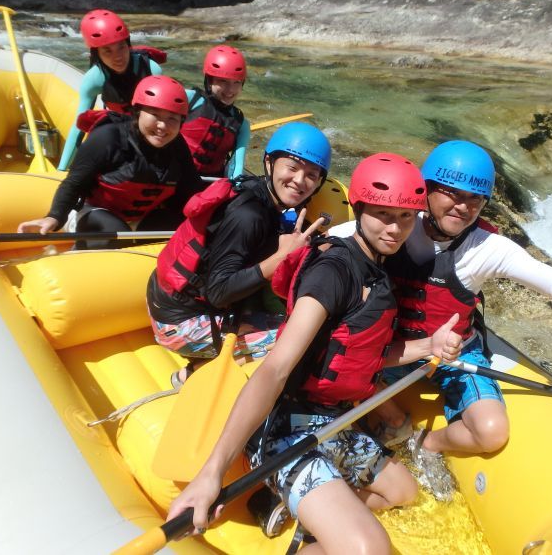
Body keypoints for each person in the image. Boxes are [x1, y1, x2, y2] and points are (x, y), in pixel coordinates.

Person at [166, 153, 464, 553]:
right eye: (382, 215)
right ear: (358, 209)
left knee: (403, 491)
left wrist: (429, 346)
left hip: (331, 420)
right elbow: (274, 369)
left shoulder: (378, 267)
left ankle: (304, 525)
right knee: (370, 550)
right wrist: (211, 474)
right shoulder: (334, 272)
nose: (395, 229)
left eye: (406, 218)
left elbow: (364, 353)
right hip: (285, 431)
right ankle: (310, 514)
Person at [330, 140, 552, 501]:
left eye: (475, 199)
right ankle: (389, 416)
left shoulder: (487, 248)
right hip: (392, 351)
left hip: (455, 354)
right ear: (426, 190)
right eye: (451, 193)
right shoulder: (395, 225)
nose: (462, 207)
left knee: (492, 431)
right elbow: (333, 245)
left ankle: (426, 444)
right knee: (336, 375)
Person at [146, 121, 332, 386]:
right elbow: (218, 291)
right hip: (179, 324)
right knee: (299, 336)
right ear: (269, 163)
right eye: (291, 167)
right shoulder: (249, 215)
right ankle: (193, 374)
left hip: (179, 302)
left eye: (312, 175)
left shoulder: (263, 197)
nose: (299, 181)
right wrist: (279, 258)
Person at [18, 75, 202, 250]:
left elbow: (191, 189)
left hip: (142, 218)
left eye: (172, 119)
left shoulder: (177, 146)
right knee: (113, 228)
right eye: (155, 114)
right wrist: (54, 217)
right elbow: (74, 183)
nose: (162, 126)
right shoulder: (108, 138)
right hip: (93, 213)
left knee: (186, 225)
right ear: (138, 113)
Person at [58, 9, 167, 170]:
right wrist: (62, 169)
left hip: (147, 130)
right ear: (97, 54)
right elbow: (78, 127)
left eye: (121, 47)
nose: (117, 57)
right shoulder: (94, 79)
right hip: (117, 131)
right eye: (107, 50)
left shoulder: (151, 69)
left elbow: (164, 116)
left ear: (128, 45)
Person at [181, 45, 251, 179]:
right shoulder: (190, 99)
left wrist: (235, 184)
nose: (230, 90)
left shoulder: (241, 124)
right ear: (209, 81)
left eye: (236, 82)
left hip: (209, 184)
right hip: (174, 177)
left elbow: (237, 165)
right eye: (223, 81)